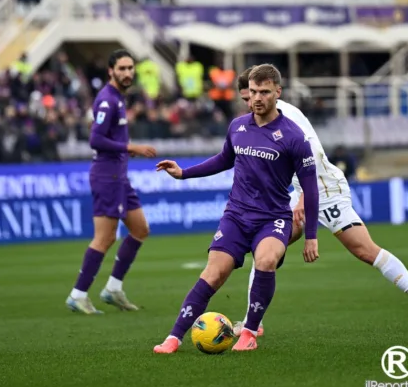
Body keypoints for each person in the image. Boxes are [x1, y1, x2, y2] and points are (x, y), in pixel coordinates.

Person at [233, 66, 408, 336]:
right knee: (266, 250)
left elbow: (313, 159)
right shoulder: (261, 120)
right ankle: (253, 323)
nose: (251, 102)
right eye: (247, 97)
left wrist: (303, 199)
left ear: (272, 90)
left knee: (364, 250)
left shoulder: (287, 117)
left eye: (254, 95)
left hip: (324, 189)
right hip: (300, 191)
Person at [153, 64, 320, 353]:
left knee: (266, 260)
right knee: (214, 273)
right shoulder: (237, 126)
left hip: (273, 218)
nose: (257, 98)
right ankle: (174, 337)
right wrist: (184, 173)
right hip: (237, 216)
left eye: (265, 92)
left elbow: (312, 187)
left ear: (278, 92)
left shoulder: (294, 137)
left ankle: (250, 332)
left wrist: (311, 236)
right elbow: (222, 160)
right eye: (253, 92)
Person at [66, 49, 157, 314]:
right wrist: (132, 147)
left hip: (119, 176)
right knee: (104, 239)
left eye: (131, 68)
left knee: (140, 229)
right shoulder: (108, 100)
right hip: (107, 176)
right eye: (122, 68)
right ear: (111, 71)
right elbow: (95, 139)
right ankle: (78, 294)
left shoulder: (118, 98)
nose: (128, 73)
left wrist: (123, 148)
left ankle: (113, 288)